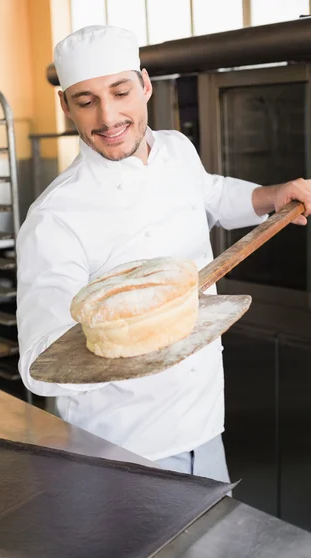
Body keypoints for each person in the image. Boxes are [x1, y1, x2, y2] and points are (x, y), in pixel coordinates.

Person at [16, 25, 311, 481]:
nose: (108, 116)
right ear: (66, 106)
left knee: (217, 549)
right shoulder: (54, 217)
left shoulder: (175, 150)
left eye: (120, 91)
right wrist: (141, 334)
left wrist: (272, 195)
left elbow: (211, 193)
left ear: (146, 85)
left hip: (206, 422)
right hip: (123, 445)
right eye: (86, 100)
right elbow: (41, 363)